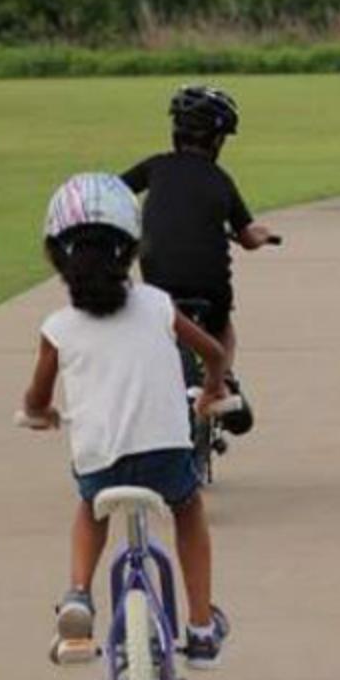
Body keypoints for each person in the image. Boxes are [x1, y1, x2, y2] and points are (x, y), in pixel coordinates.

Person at [17, 172, 232, 669]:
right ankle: (200, 627)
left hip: (101, 463)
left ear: (58, 256)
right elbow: (214, 352)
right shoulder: (157, 305)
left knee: (90, 506)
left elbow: (36, 397)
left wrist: (38, 413)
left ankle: (77, 596)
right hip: (166, 458)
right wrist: (213, 389)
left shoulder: (58, 328)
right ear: (131, 250)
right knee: (188, 508)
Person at [121, 85, 277, 432]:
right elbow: (249, 237)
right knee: (222, 328)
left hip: (158, 276)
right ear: (218, 140)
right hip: (210, 283)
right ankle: (221, 383)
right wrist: (263, 236)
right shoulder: (221, 180)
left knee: (163, 321)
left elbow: (115, 189)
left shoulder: (155, 167)